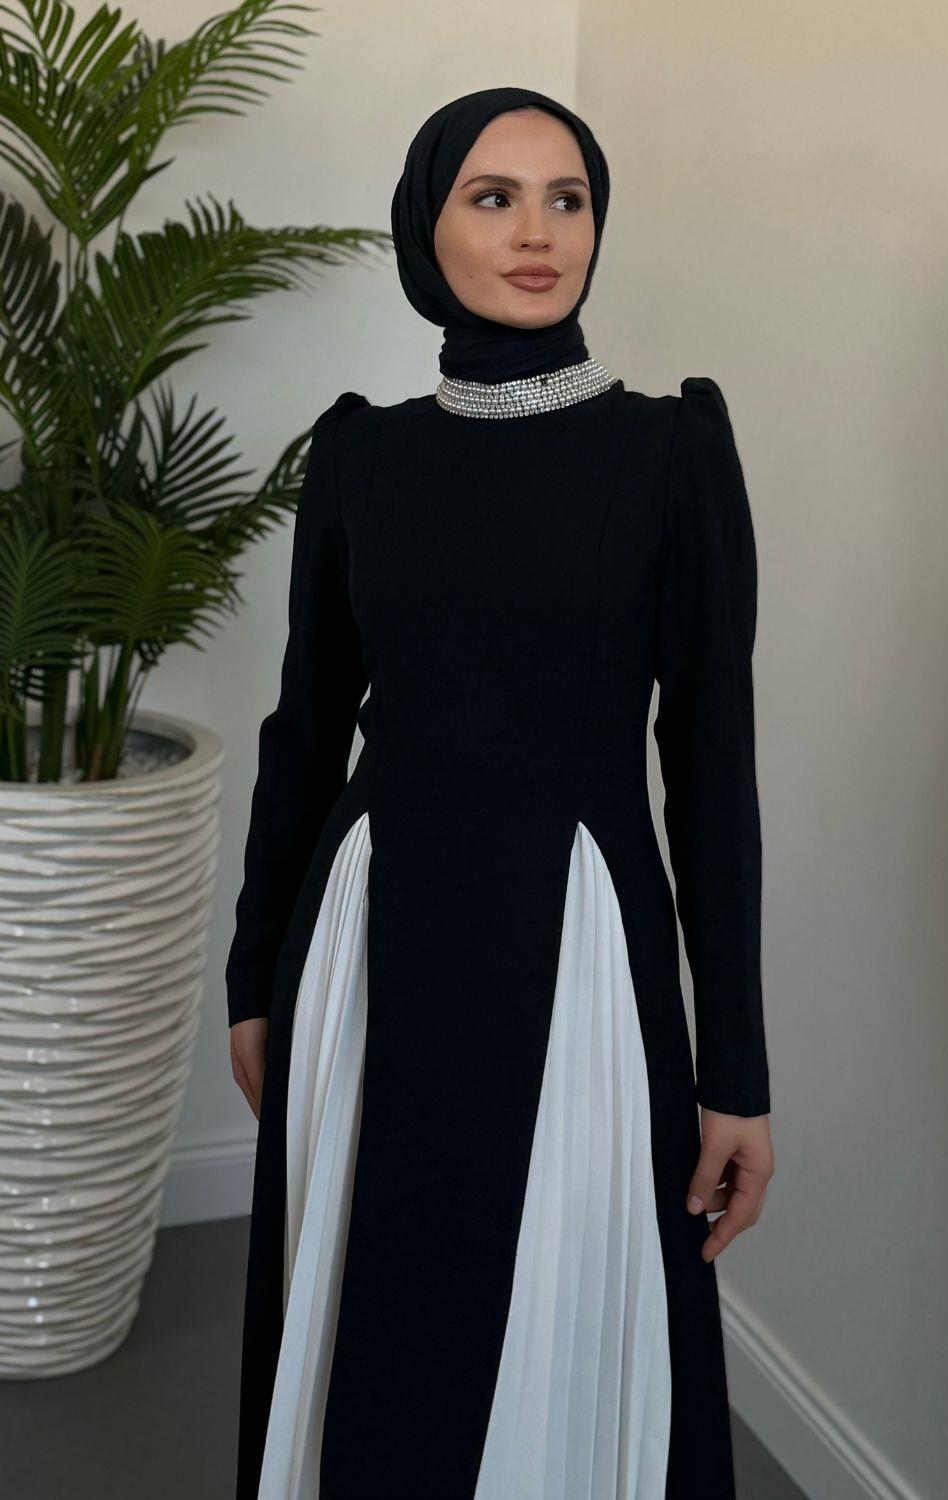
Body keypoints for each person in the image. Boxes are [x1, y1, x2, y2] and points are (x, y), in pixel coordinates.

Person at [226, 84, 775, 1500]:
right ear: (427, 225)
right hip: (372, 944)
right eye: (494, 197)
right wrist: (254, 977)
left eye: (567, 198)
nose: (539, 232)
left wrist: (736, 1073)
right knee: (379, 1322)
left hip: (579, 956)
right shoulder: (363, 451)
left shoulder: (668, 452)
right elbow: (306, 731)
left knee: (568, 1316)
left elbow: (711, 769)